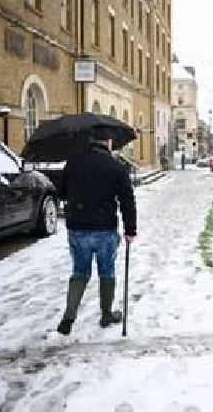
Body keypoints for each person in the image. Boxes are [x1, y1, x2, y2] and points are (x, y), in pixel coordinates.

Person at [56, 128, 137, 335]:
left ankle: (69, 317)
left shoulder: (73, 162)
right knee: (106, 272)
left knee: (80, 273)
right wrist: (130, 229)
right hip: (105, 230)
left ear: (90, 140)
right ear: (108, 142)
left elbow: (61, 192)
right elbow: (127, 200)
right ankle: (106, 314)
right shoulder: (116, 167)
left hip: (78, 228)